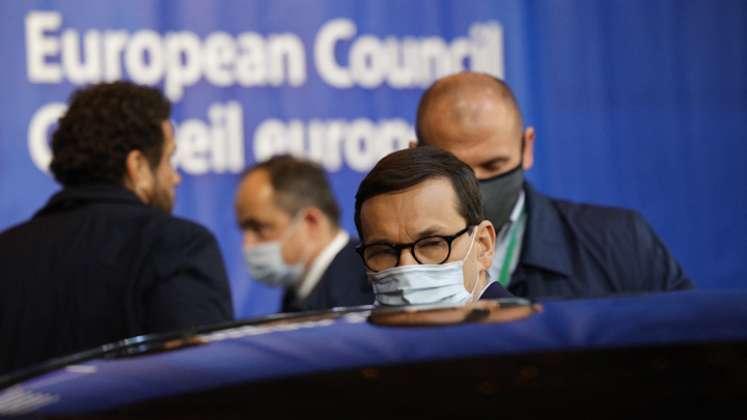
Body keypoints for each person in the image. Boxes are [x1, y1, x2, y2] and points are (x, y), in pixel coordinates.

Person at [0, 81, 234, 375]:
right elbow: (203, 385)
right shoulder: (178, 246)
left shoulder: (6, 253)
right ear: (137, 165)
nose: (175, 178)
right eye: (169, 159)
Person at [415, 71, 693, 298]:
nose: (475, 186)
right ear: (415, 157)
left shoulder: (622, 245)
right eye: (456, 169)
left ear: (527, 148)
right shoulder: (378, 261)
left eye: (493, 166)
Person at [354, 146, 513, 307]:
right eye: (383, 251)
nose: (406, 270)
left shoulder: (525, 331)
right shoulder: (348, 330)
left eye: (432, 243)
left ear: (483, 246)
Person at [235, 155, 373, 312]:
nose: (247, 244)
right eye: (244, 229)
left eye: (259, 227)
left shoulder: (362, 292)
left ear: (311, 222)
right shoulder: (299, 290)